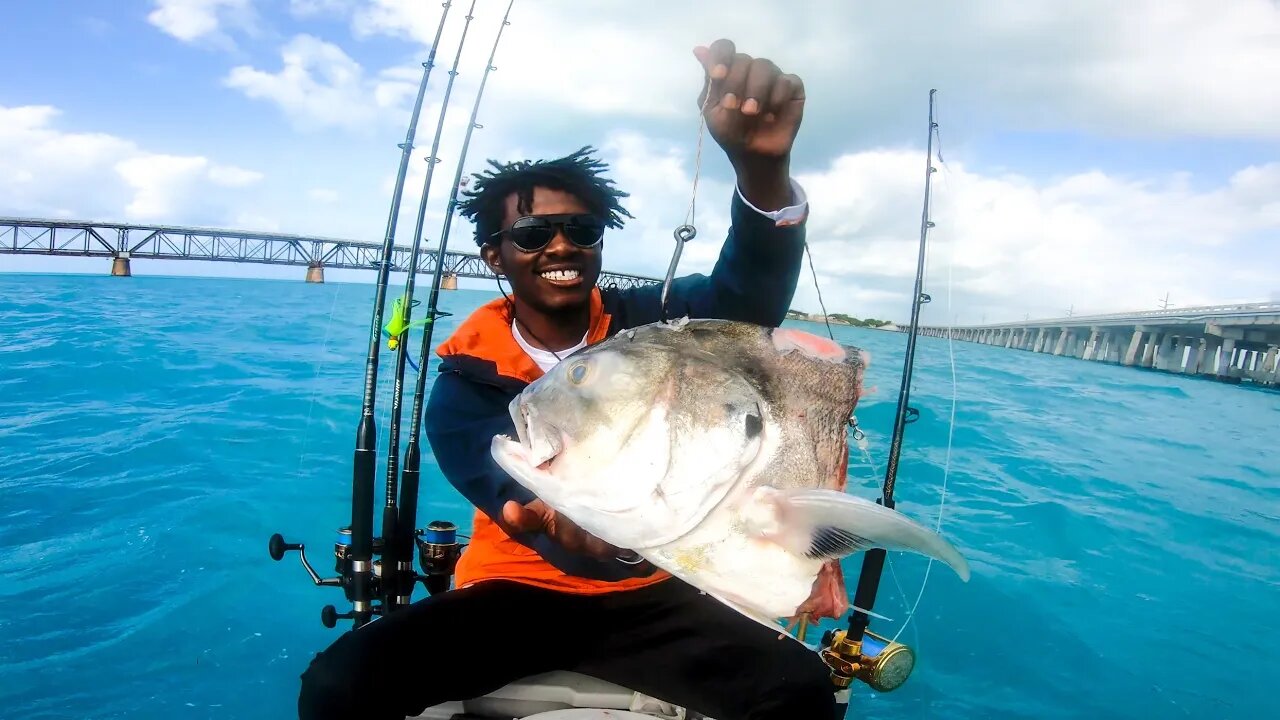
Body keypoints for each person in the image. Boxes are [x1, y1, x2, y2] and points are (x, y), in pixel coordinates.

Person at [297, 39, 838, 720]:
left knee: (803, 693)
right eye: (532, 234)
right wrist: (567, 536)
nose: (559, 246)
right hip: (512, 594)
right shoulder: (466, 379)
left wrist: (763, 172)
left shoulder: (657, 323)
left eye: (580, 230)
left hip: (660, 587)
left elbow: (748, 294)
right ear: (496, 256)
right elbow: (530, 514)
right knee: (336, 689)